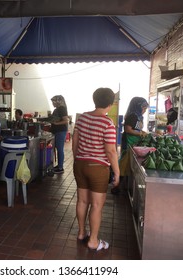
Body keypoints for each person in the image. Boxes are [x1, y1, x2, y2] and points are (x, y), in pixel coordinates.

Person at [72, 87, 120, 251]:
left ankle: (81, 233)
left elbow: (75, 140)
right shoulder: (107, 123)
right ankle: (93, 241)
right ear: (110, 103)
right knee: (97, 206)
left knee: (82, 200)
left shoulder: (83, 117)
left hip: (80, 164)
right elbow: (111, 151)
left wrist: (77, 158)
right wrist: (118, 172)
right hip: (98, 168)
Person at [115, 97, 149, 193]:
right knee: (124, 164)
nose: (145, 110)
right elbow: (128, 129)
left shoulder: (139, 116)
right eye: (143, 108)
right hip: (129, 143)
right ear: (137, 107)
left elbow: (136, 129)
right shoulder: (132, 116)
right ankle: (117, 185)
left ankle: (125, 186)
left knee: (128, 165)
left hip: (134, 143)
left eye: (146, 108)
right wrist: (140, 134)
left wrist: (142, 132)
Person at [50, 95, 68, 174]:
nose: (53, 103)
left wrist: (56, 123)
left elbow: (65, 121)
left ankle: (60, 168)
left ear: (58, 101)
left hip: (60, 131)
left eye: (54, 101)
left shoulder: (62, 109)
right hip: (56, 131)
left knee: (60, 149)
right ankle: (59, 165)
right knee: (57, 148)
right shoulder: (57, 109)